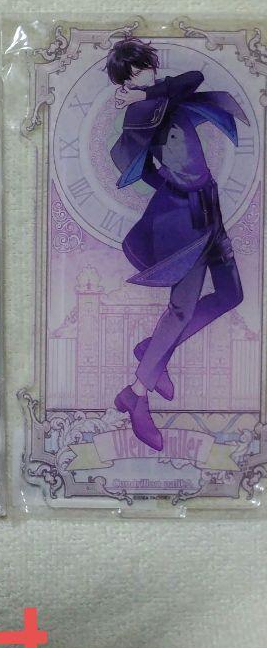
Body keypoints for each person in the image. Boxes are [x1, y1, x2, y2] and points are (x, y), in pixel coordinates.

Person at [107, 37, 248, 450]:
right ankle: (136, 394)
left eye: (146, 65)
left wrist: (147, 90)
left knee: (231, 294)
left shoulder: (162, 96)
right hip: (185, 219)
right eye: (136, 72)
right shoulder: (140, 113)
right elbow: (138, 166)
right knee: (182, 308)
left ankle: (152, 349)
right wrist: (174, 186)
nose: (147, 73)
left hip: (210, 206)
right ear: (125, 81)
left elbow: (195, 76)